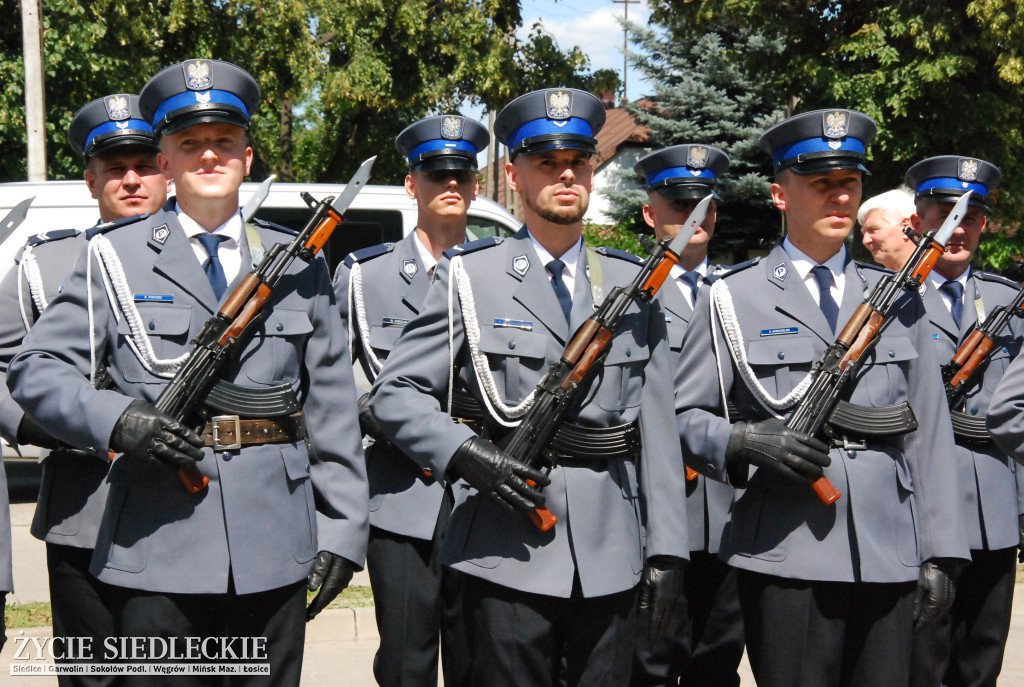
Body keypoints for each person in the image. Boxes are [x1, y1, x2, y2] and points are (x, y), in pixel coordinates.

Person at [6, 59, 368, 684]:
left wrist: (343, 530)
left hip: (273, 539)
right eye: (189, 144)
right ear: (166, 162)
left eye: (223, 142)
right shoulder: (112, 256)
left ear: (247, 158)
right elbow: (36, 369)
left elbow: (331, 409)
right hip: (158, 538)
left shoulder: (298, 265)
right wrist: (118, 420)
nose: (208, 156)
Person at [368, 88, 689, 687]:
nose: (567, 173)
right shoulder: (469, 276)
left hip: (610, 551)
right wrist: (465, 454)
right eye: (546, 161)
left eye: (580, 161)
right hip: (503, 547)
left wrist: (667, 548)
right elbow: (396, 392)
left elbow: (658, 427)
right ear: (513, 175)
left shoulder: (632, 285)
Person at [673, 109, 970, 686]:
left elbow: (928, 430)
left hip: (890, 544)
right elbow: (683, 415)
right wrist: (741, 439)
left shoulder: (896, 297)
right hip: (787, 547)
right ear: (780, 194)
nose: (840, 196)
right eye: (821, 184)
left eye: (850, 183)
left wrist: (942, 550)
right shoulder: (734, 296)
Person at [0, 92, 169, 685]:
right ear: (90, 180)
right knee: (92, 675)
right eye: (114, 168)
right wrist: (46, 425)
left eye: (144, 165)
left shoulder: (214, 260)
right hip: (83, 501)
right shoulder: (44, 264)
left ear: (166, 168)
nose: (130, 180)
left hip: (184, 503)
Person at [333, 113, 489, 687]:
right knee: (404, 662)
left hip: (483, 493)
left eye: (460, 175)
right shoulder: (362, 276)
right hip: (399, 495)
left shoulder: (497, 272)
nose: (449, 185)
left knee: (482, 657)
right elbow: (331, 382)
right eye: (435, 173)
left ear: (476, 186)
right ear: (411, 185)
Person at [904, 155, 1024, 687]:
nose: (957, 225)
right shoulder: (888, 299)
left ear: (983, 223)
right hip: (922, 510)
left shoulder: (1006, 300)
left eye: (971, 214)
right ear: (918, 218)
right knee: (920, 659)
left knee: (982, 659)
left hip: (996, 511)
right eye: (942, 209)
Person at [630, 143, 744, 687]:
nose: (692, 216)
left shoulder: (740, 294)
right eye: (678, 205)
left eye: (703, 204)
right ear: (651, 214)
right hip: (652, 507)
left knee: (718, 656)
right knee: (651, 657)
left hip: (727, 505)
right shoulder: (628, 294)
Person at [859, 186, 916, 270]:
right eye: (864, 233)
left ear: (906, 227)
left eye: (874, 229)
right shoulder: (869, 281)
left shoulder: (938, 277)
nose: (865, 241)